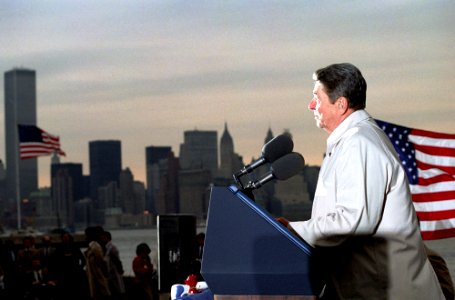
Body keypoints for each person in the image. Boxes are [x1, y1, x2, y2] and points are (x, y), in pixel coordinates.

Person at [278, 63, 445, 299]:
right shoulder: (349, 142)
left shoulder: (360, 143)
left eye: (317, 97)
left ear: (341, 104)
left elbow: (354, 220)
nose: (311, 105)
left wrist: (292, 230)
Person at [84, 226, 111, 300]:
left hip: (97, 275)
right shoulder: (92, 246)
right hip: (94, 275)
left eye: (86, 235)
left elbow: (100, 262)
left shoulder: (95, 247)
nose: (85, 237)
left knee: (102, 293)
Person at [100, 231, 125, 300]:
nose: (102, 239)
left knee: (117, 290)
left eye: (103, 238)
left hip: (114, 272)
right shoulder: (107, 247)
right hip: (111, 273)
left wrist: (120, 270)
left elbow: (117, 260)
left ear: (108, 238)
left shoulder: (111, 248)